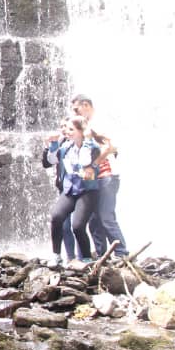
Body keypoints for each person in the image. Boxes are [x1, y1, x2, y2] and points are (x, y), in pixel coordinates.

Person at [71, 94, 128, 258]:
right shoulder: (86, 125)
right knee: (95, 220)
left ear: (86, 105)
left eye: (76, 109)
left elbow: (110, 148)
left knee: (106, 217)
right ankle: (102, 254)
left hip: (107, 176)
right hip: (95, 180)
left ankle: (122, 252)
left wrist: (92, 165)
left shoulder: (99, 123)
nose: (74, 113)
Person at [47, 115, 101, 265]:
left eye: (71, 129)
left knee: (77, 226)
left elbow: (84, 161)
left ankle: (86, 258)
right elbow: (52, 160)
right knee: (56, 217)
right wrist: (52, 145)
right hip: (70, 189)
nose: (67, 132)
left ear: (81, 131)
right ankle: (56, 256)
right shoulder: (66, 147)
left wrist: (87, 141)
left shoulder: (93, 147)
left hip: (87, 191)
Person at [43, 118, 78, 261]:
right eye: (61, 126)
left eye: (67, 126)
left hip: (81, 189)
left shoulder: (78, 144)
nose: (64, 129)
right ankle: (69, 257)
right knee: (64, 224)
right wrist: (49, 145)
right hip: (65, 189)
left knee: (79, 225)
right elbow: (47, 163)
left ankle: (85, 256)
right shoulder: (60, 144)